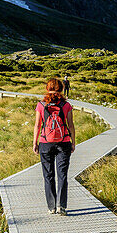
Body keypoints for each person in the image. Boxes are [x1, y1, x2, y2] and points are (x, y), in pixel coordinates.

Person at [33, 78, 76, 215]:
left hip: (45, 142)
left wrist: (35, 142)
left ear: (47, 88)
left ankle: (51, 207)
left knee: (48, 175)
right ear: (62, 89)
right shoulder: (66, 105)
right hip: (64, 142)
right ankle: (61, 206)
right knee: (62, 175)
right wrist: (73, 142)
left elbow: (38, 125)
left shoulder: (41, 105)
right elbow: (70, 125)